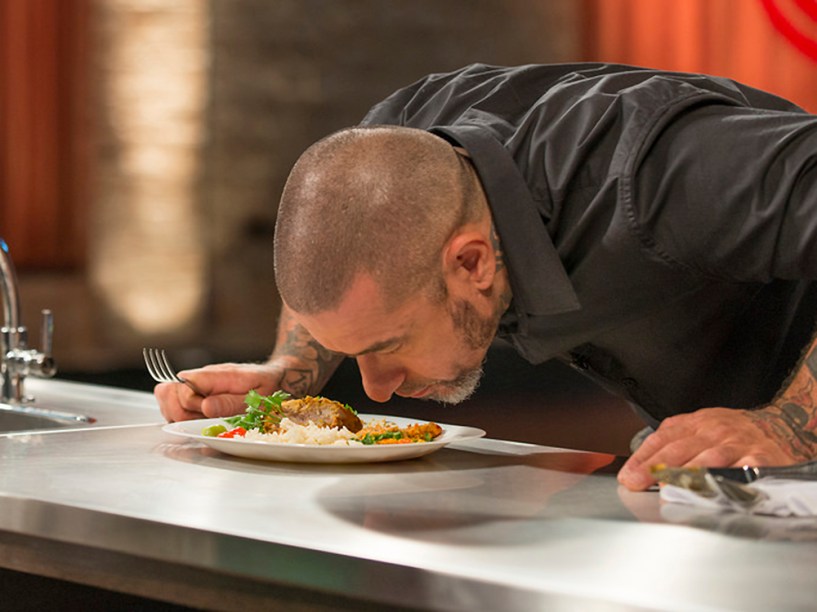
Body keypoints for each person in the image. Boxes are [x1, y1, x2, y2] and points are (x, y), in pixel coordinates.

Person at [154, 63, 817, 491]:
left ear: (470, 261)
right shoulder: (403, 148)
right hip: (716, 448)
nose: (376, 392)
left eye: (384, 348)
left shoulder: (662, 175)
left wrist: (788, 422)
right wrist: (288, 375)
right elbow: (357, 261)